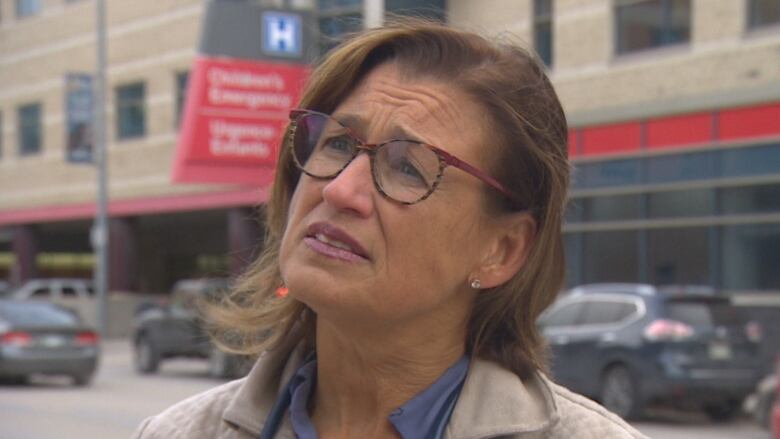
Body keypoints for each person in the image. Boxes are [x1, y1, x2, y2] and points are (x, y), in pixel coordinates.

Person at [133, 19, 647, 439]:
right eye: (337, 144)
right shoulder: (177, 432)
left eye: (407, 168)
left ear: (502, 250)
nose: (339, 190)